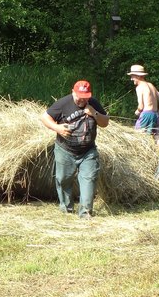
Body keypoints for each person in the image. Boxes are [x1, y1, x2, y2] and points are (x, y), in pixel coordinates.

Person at [41, 80, 109, 218]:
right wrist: (57, 128)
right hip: (65, 150)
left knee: (89, 178)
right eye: (79, 96)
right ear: (73, 92)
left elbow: (105, 122)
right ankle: (66, 210)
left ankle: (85, 213)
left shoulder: (93, 104)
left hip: (88, 151)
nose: (82, 100)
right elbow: (44, 117)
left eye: (85, 97)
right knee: (63, 179)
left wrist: (94, 113)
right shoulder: (63, 104)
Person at [127, 64, 159, 145]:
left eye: (132, 76)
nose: (131, 79)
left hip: (146, 113)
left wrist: (137, 112)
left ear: (138, 76)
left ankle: (143, 154)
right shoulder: (151, 85)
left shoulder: (139, 87)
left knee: (138, 134)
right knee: (157, 135)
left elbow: (141, 106)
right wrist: (158, 114)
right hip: (155, 113)